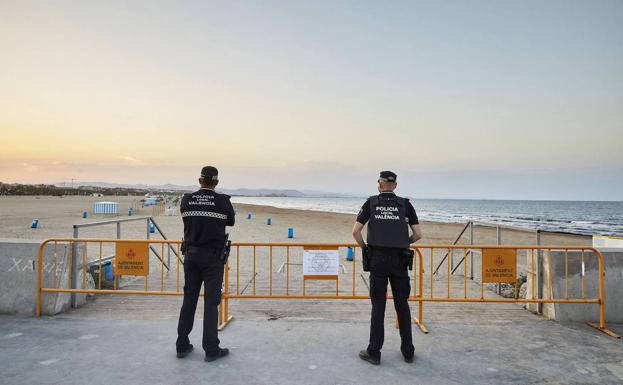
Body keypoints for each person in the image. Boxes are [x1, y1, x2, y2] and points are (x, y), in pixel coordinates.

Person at [352, 171, 423, 365]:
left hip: (378, 259)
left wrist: (365, 248)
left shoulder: (371, 203)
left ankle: (374, 352)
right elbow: (418, 234)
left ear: (380, 184)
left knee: (378, 306)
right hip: (400, 260)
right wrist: (403, 243)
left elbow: (355, 231)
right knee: (402, 304)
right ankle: (408, 352)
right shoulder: (405, 204)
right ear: (395, 186)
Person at [176, 165, 235, 362]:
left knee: (189, 300)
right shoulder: (222, 201)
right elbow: (231, 221)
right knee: (211, 302)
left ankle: (182, 345)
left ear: (200, 180)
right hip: (212, 259)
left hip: (191, 256)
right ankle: (211, 349)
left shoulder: (186, 200)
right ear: (216, 182)